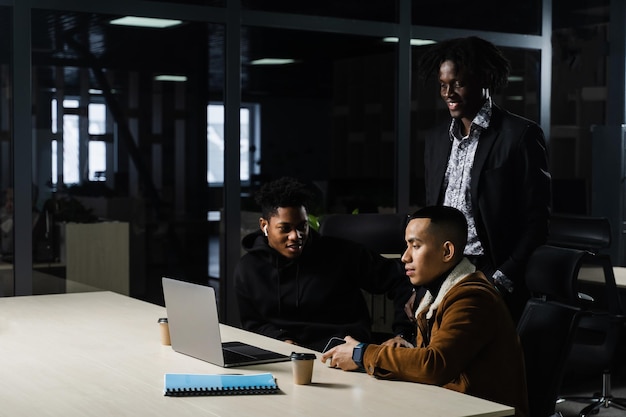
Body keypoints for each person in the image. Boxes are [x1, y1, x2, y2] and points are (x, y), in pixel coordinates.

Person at [321, 205, 529, 417]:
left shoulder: (472, 298)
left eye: (416, 246)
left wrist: (361, 353)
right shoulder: (438, 297)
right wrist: (407, 349)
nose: (405, 257)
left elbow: (435, 365)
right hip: (450, 405)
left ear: (447, 251)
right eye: (406, 246)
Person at [417, 36, 551, 322]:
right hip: (443, 270)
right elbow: (432, 215)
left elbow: (537, 221)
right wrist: (423, 286)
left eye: (458, 84)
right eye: (443, 85)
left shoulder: (520, 136)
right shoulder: (436, 140)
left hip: (490, 271)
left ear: (484, 80)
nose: (449, 93)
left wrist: (501, 279)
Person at [233, 176, 415, 352]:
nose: (295, 236)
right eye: (285, 228)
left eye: (302, 226)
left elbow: (402, 280)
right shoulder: (248, 269)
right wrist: (281, 340)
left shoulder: (340, 253)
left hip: (345, 353)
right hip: (285, 355)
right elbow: (253, 324)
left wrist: (402, 333)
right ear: (264, 225)